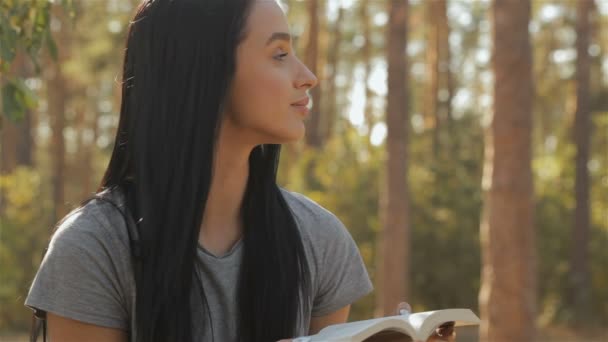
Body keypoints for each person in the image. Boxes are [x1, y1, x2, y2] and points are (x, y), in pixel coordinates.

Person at [24, 0, 373, 341]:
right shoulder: (94, 247)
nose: (308, 77)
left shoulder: (319, 239)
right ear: (206, 70)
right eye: (279, 54)